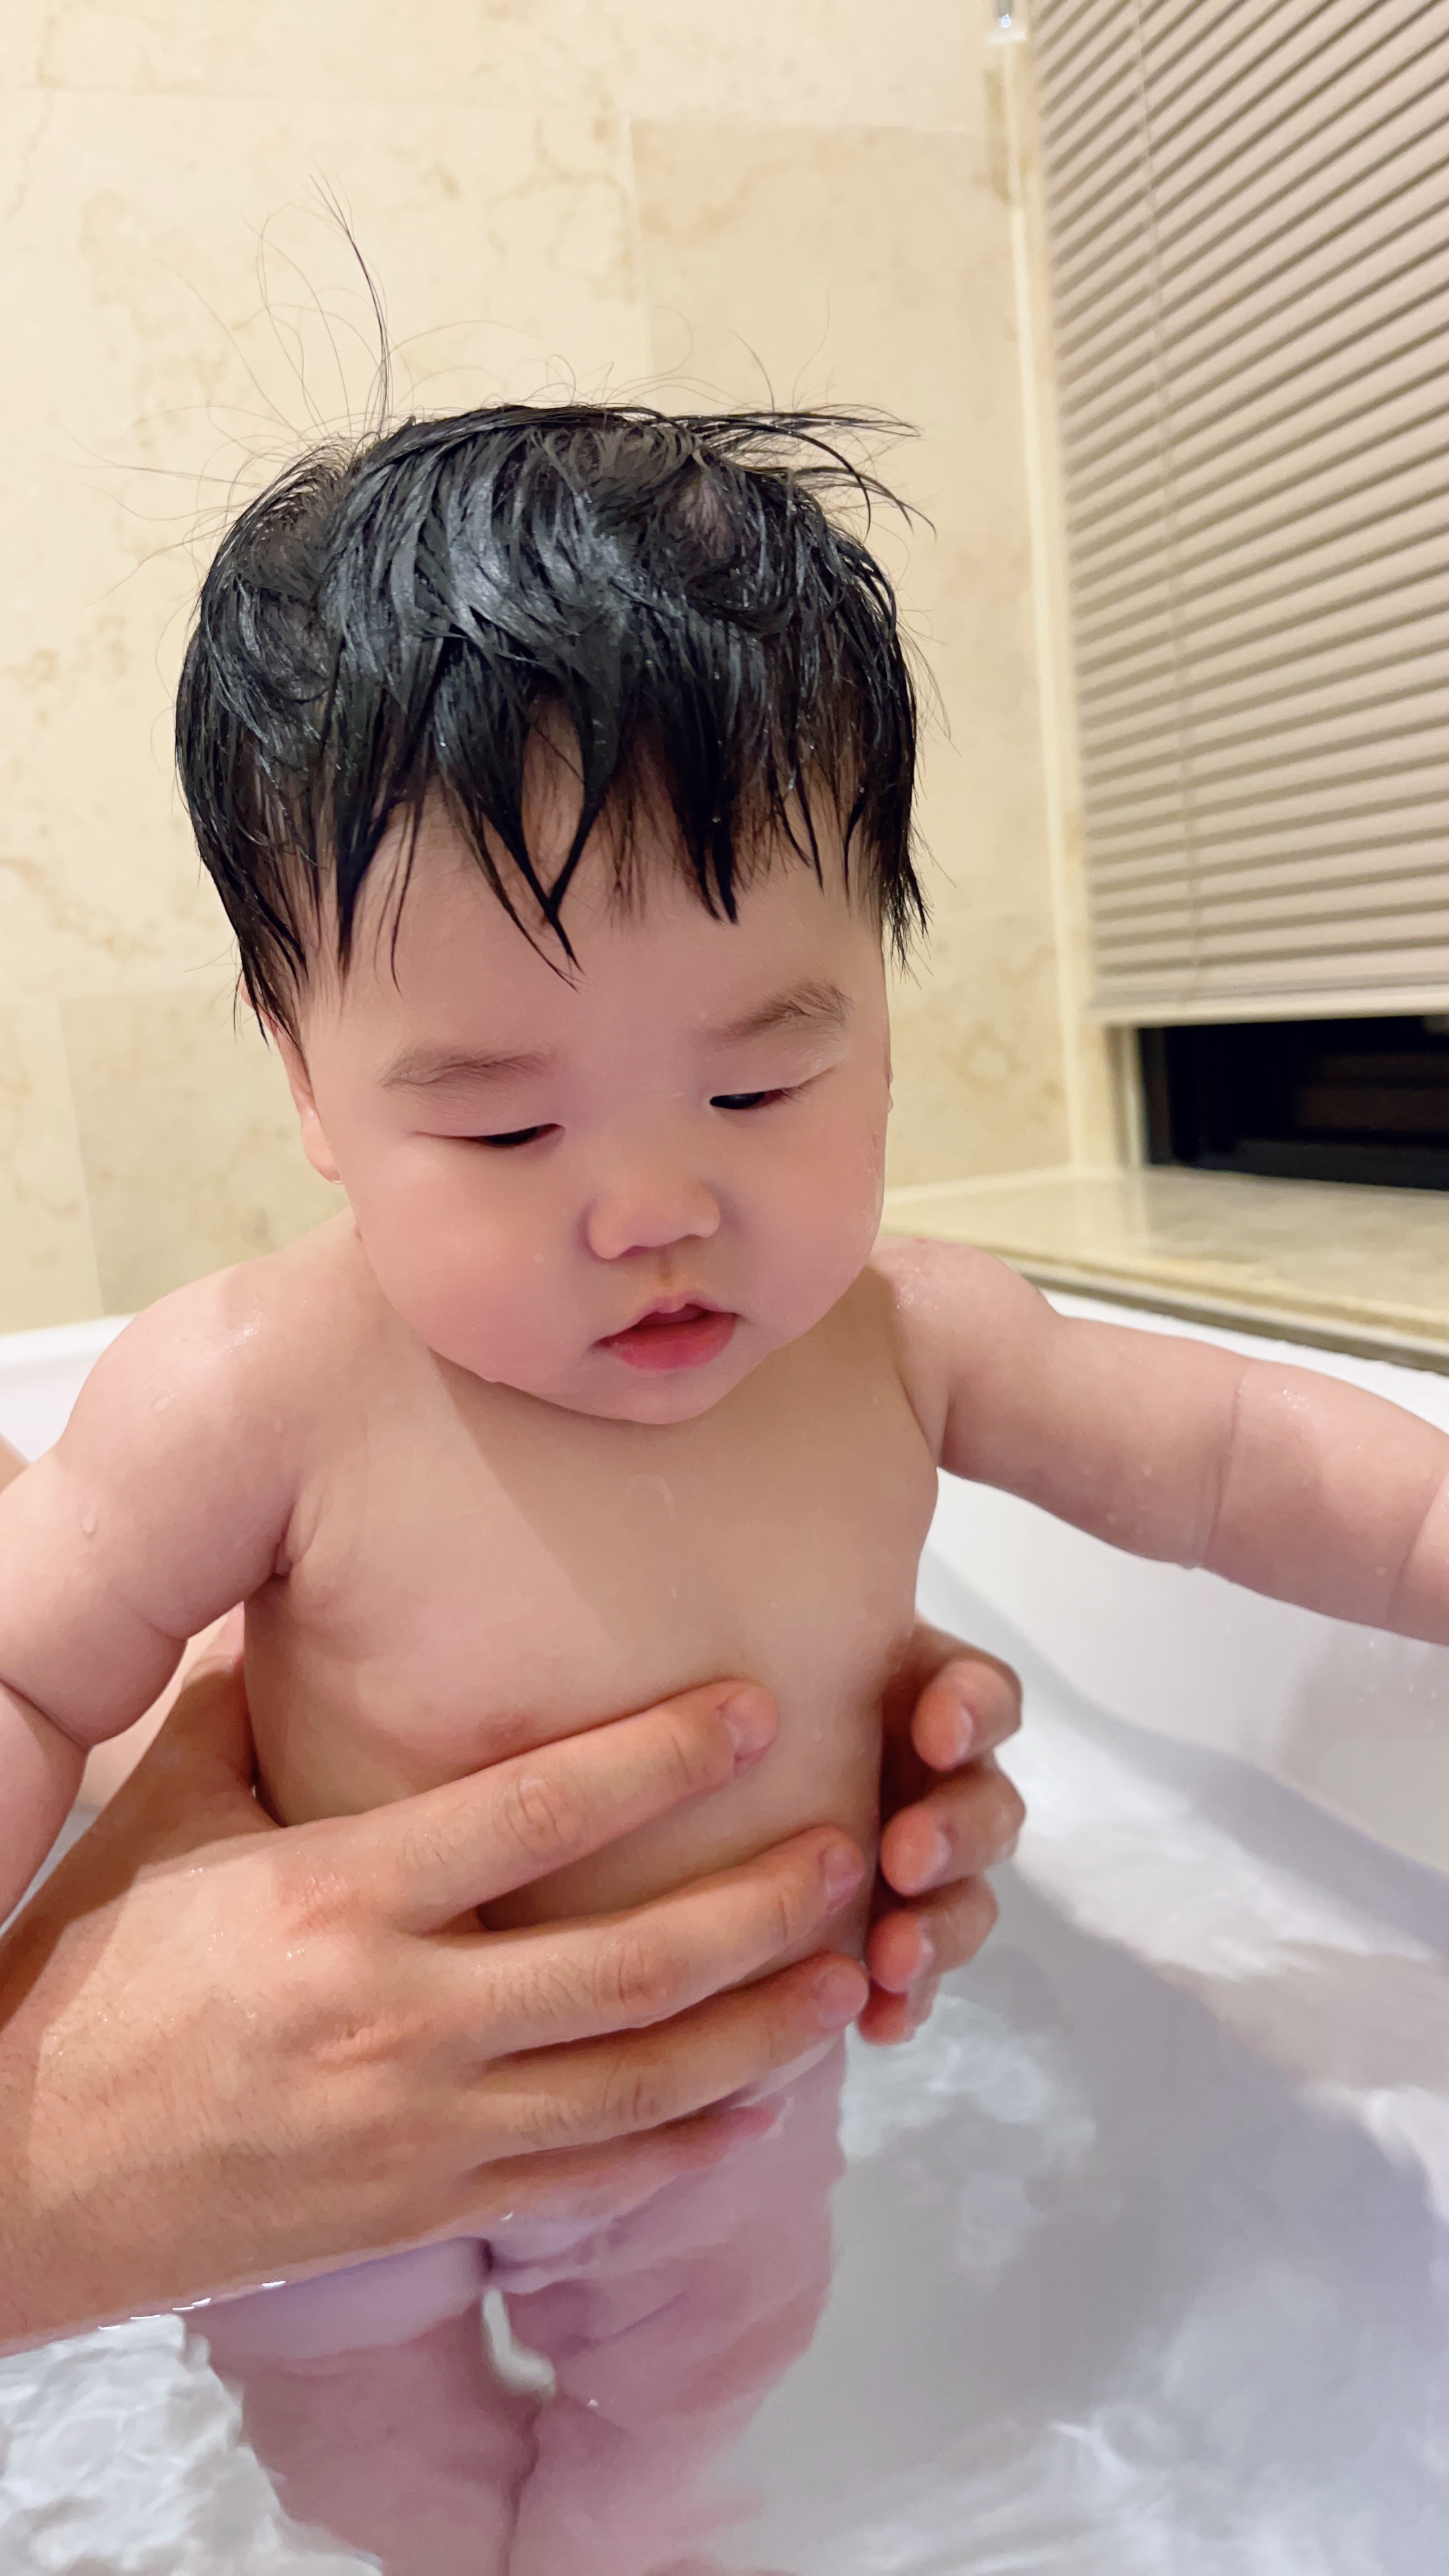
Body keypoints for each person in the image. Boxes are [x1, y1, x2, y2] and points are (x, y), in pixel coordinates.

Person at [8, 399, 1449, 2569]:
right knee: (371, 2462)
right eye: (504, 1130)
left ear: (877, 992)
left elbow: (1243, 1464)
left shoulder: (901, 1337)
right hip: (304, 2138)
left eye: (766, 1081)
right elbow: (30, 1676)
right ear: (305, 1077)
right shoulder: (249, 1394)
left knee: (686, 2422)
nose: (654, 1207)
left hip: (717, 2113)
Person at [0, 1426, 1024, 2363]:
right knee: (384, 2456)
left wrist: (773, 1655)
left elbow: (41, 1653)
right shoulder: (230, 1371)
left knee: (661, 2429)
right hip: (321, 2214)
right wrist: (50, 2179)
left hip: (702, 2114)